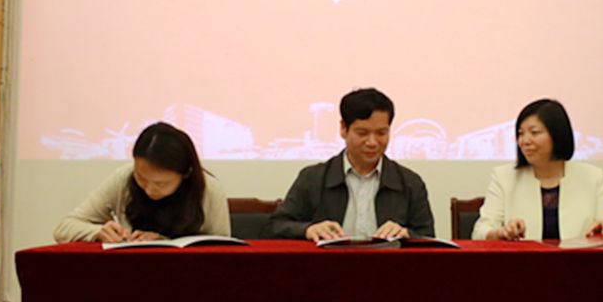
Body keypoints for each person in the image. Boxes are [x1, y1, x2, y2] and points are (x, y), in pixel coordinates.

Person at [262, 88, 434, 240]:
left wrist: (407, 235)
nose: (372, 142)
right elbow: (274, 227)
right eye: (362, 133)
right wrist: (307, 230)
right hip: (328, 265)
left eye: (381, 133)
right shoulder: (313, 178)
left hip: (389, 265)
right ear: (343, 129)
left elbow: (428, 238)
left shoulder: (410, 183)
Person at [472, 98, 603, 242]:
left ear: (557, 135)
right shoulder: (504, 177)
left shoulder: (592, 177)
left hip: (577, 260)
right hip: (523, 260)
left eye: (534, 132)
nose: (524, 141)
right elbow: (480, 232)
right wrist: (500, 233)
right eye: (520, 133)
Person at [53, 122, 231, 243]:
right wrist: (97, 232)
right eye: (141, 178)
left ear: (186, 173)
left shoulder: (210, 190)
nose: (149, 189)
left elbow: (221, 249)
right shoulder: (124, 178)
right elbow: (64, 228)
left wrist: (163, 243)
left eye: (161, 184)